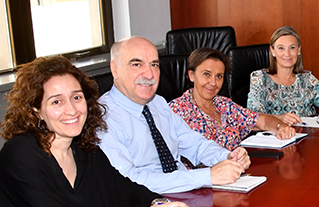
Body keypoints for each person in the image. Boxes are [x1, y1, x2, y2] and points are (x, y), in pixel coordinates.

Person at [0, 56, 195, 207]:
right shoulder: (20, 154)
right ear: (36, 110)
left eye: (76, 97)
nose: (71, 110)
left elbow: (123, 187)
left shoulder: (83, 147)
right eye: (56, 101)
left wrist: (159, 203)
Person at [99, 37, 251, 194]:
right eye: (137, 64)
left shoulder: (157, 103)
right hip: (146, 204)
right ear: (115, 68)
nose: (150, 74)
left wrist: (227, 157)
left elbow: (195, 144)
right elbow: (129, 179)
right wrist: (207, 176)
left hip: (186, 195)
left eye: (154, 65)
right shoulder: (103, 118)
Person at [169, 47, 296, 150]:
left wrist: (281, 126)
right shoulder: (175, 111)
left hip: (238, 175)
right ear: (191, 75)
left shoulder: (224, 104)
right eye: (207, 74)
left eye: (219, 76)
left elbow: (260, 120)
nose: (213, 82)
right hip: (202, 179)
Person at [247, 26, 319, 121]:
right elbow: (253, 117)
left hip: (306, 139)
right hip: (274, 140)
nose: (287, 54)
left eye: (292, 48)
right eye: (281, 48)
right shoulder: (260, 78)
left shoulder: (306, 79)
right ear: (272, 51)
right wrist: (280, 119)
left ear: (299, 50)